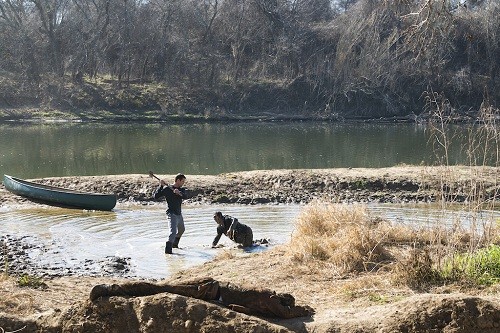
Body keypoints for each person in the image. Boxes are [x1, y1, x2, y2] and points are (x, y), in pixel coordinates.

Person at [89, 277, 314, 319]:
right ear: (279, 299)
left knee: (160, 288)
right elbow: (286, 314)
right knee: (159, 289)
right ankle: (111, 289)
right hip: (207, 289)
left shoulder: (265, 297)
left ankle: (113, 288)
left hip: (211, 288)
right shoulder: (270, 298)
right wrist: (303, 310)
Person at [153, 173, 187, 254]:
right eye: (182, 181)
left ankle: (175, 245)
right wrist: (160, 186)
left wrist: (179, 193)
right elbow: (156, 196)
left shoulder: (181, 190)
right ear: (178, 180)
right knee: (173, 233)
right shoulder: (167, 189)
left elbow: (185, 196)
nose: (183, 183)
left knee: (182, 230)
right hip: (171, 213)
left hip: (179, 213)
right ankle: (168, 252)